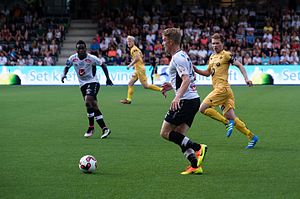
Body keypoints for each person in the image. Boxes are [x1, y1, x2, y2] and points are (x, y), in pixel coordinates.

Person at [193, 33, 259, 149]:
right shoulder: (212, 57)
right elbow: (207, 73)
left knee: (202, 108)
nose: (215, 45)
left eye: (217, 43)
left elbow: (239, 65)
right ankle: (252, 137)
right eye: (213, 43)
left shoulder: (226, 55)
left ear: (222, 43)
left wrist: (246, 78)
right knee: (232, 116)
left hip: (222, 89)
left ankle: (227, 123)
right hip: (224, 91)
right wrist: (195, 69)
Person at [160, 28, 207, 175]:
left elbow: (186, 79)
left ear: (171, 41)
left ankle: (198, 147)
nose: (163, 43)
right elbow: (188, 78)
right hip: (193, 100)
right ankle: (195, 164)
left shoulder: (177, 58)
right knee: (179, 135)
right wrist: (172, 85)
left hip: (185, 101)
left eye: (164, 40)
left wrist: (177, 96)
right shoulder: (183, 56)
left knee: (165, 133)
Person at [61, 40, 113, 139]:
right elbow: (67, 67)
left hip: (93, 82)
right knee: (92, 105)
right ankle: (105, 128)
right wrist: (64, 75)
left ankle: (91, 127)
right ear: (76, 49)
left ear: (85, 49)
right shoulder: (72, 58)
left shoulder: (92, 58)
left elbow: (103, 65)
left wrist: (108, 78)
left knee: (88, 100)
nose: (81, 50)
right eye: (79, 48)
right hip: (82, 85)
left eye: (82, 48)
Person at [120, 36, 164, 104]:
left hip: (140, 70)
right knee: (130, 83)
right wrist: (135, 65)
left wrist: (130, 65)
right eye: (127, 41)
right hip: (138, 69)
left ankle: (161, 89)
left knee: (146, 86)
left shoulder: (134, 49)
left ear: (133, 42)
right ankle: (128, 100)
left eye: (130, 41)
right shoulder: (136, 49)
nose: (128, 42)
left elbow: (137, 58)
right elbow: (141, 57)